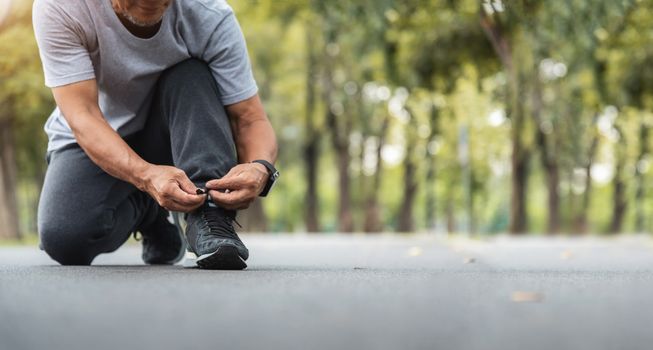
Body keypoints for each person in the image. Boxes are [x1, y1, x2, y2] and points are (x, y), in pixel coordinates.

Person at [32, 0, 279, 270]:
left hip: (170, 132)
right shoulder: (61, 7)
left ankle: (209, 216)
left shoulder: (209, 15)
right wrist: (147, 177)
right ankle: (150, 213)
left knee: (191, 74)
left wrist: (260, 167)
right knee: (65, 238)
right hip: (97, 134)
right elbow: (84, 116)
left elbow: (250, 118)